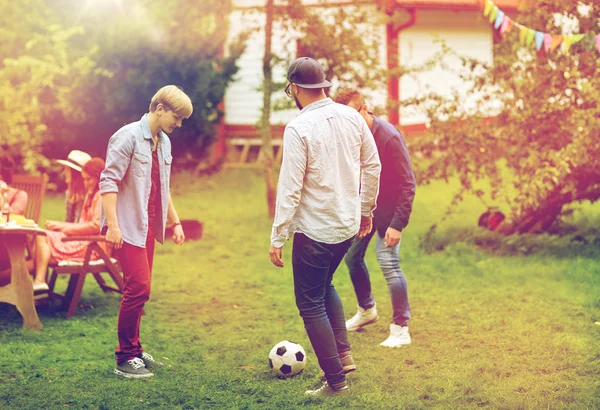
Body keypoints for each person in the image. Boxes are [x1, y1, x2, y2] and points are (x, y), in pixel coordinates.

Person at [269, 58, 381, 397]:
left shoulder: (298, 128)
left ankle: (335, 382)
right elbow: (372, 166)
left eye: (290, 90)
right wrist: (365, 211)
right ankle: (343, 357)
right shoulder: (352, 116)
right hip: (346, 226)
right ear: (323, 85)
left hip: (316, 230)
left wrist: (278, 236)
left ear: (297, 88)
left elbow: (290, 187)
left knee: (309, 303)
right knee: (324, 284)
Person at [100, 85, 190, 379]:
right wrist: (113, 226)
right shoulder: (125, 137)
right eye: (176, 117)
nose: (178, 124)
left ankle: (135, 350)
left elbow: (164, 187)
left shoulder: (163, 143)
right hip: (125, 226)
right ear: (159, 108)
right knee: (139, 287)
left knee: (139, 290)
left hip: (147, 226)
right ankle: (125, 357)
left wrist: (174, 222)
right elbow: (108, 183)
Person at [334, 88, 416, 348]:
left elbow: (408, 183)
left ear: (364, 109)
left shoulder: (389, 138)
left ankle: (401, 328)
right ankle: (367, 310)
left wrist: (397, 224)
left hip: (389, 213)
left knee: (388, 263)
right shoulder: (354, 136)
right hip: (366, 209)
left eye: (351, 116)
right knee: (352, 257)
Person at [30, 158, 107, 291]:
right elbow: (84, 223)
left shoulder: (101, 196)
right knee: (40, 236)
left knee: (40, 245)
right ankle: (39, 282)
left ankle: (37, 281)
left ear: (98, 177)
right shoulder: (91, 195)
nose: (86, 183)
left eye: (89, 179)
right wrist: (62, 227)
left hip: (94, 247)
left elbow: (96, 226)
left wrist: (64, 227)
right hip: (84, 242)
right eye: (84, 179)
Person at [55, 150, 92, 223]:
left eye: (67, 170)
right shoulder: (70, 193)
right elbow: (68, 221)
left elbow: (82, 226)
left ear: (76, 175)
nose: (64, 173)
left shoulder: (88, 196)